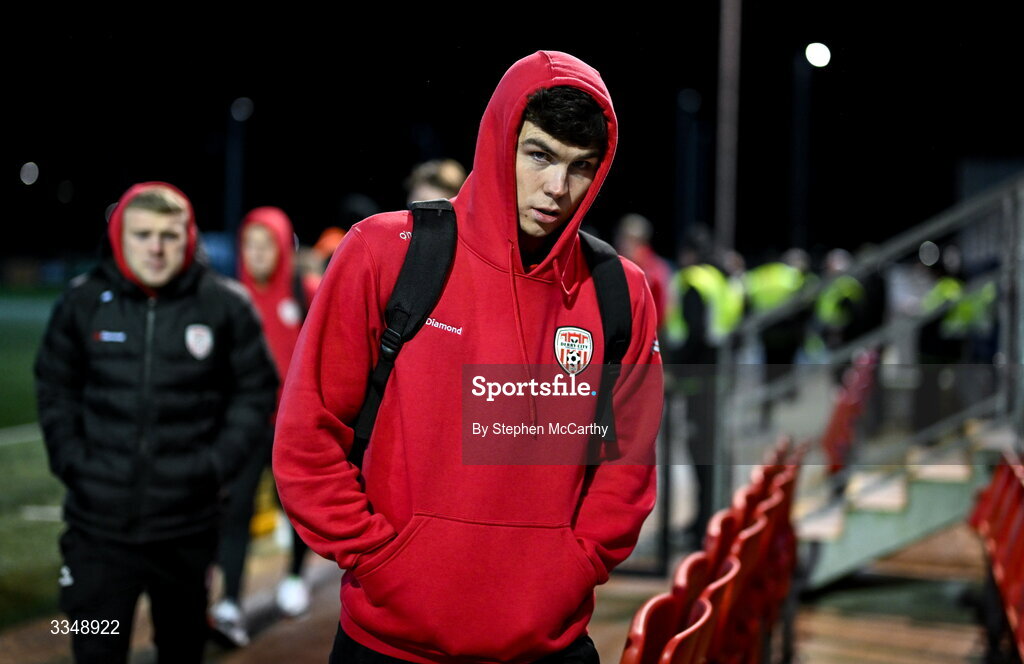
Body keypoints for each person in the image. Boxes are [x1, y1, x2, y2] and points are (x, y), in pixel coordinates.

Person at [273, 51, 663, 663]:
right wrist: (380, 558)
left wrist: (573, 564)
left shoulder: (621, 291)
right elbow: (307, 434)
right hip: (390, 642)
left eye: (580, 167)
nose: (557, 189)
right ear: (497, 140)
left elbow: (626, 469)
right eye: (539, 155)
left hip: (548, 645)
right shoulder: (387, 252)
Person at [34, 182, 278, 664]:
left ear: (188, 238)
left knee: (183, 648)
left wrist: (212, 466)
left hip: (186, 532)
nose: (156, 247)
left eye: (169, 235)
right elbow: (55, 387)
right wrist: (74, 462)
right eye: (142, 234)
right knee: (95, 647)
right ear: (119, 237)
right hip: (96, 531)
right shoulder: (82, 302)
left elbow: (255, 392)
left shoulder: (225, 305)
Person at [208, 206, 319, 647]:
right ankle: (230, 602)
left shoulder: (304, 289)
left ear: (281, 247)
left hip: (292, 425)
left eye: (265, 244)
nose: (256, 254)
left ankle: (294, 578)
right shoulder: (230, 296)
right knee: (235, 511)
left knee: (294, 507)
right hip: (245, 423)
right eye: (249, 245)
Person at [615, 213, 673, 332]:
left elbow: (663, 309)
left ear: (643, 242)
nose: (624, 244)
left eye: (630, 240)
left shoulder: (655, 269)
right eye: (622, 238)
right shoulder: (613, 264)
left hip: (647, 334)